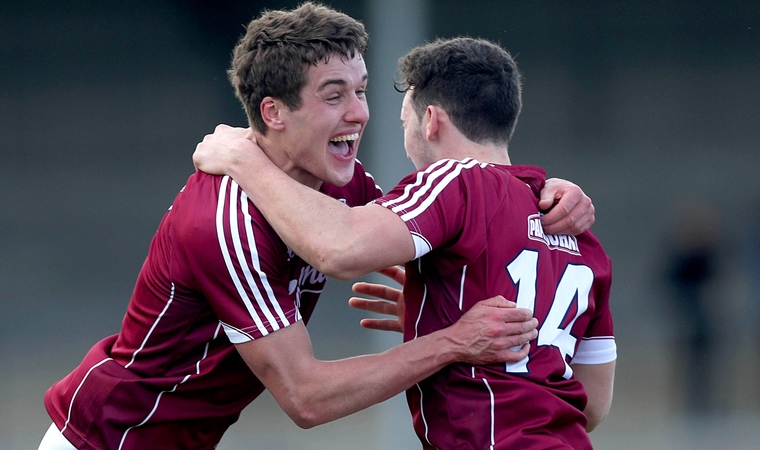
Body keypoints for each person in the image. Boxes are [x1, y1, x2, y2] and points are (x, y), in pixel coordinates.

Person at [37, 5, 596, 450]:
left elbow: (453, 233)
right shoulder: (225, 219)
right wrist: (451, 341)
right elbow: (308, 398)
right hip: (108, 438)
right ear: (274, 113)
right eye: (334, 96)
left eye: (361, 89)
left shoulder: (341, 186)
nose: (359, 112)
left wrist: (546, 196)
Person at [192, 36, 616, 449]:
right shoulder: (580, 234)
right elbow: (592, 404)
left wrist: (241, 159)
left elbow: (337, 249)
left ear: (430, 121)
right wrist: (442, 313)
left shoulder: (456, 180)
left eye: (403, 122)